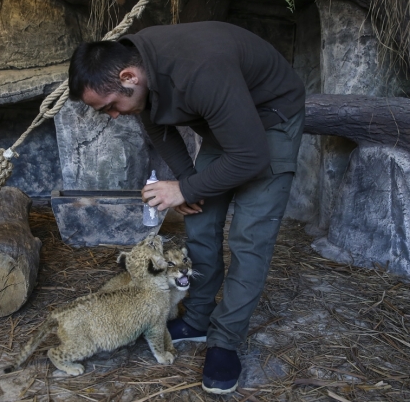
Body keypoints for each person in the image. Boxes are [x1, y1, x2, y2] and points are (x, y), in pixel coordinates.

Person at [68, 21, 305, 394]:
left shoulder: (200, 69)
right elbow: (159, 129)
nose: (113, 115)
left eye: (112, 106)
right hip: (223, 122)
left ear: (128, 76)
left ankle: (225, 341)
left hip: (270, 120)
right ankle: (197, 319)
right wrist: (187, 182)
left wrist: (185, 187)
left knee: (249, 237)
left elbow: (252, 157)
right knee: (200, 221)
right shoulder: (143, 75)